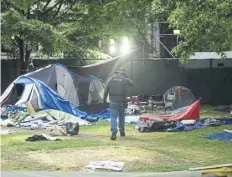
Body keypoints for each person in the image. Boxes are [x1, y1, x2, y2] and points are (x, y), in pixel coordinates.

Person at [103, 68, 133, 140]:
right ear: (123, 73)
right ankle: (122, 131)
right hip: (122, 101)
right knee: (121, 116)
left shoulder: (111, 79)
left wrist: (104, 100)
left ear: (116, 72)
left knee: (113, 117)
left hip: (113, 101)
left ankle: (113, 132)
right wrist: (127, 76)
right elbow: (132, 84)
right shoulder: (124, 79)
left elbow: (106, 89)